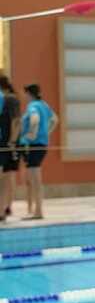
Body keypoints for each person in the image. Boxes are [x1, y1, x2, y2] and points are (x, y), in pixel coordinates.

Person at [18, 83, 57, 220]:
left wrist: (32, 135)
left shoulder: (33, 106)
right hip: (42, 144)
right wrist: (46, 134)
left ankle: (38, 211)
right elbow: (54, 120)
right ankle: (34, 209)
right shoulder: (44, 105)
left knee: (35, 180)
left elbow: (34, 120)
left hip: (33, 146)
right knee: (33, 179)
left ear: (29, 93)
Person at [0, 75, 21, 222]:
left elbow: (16, 121)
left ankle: (5, 207)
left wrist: (12, 141)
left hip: (7, 143)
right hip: (6, 142)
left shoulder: (10, 99)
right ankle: (6, 206)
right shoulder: (7, 99)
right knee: (7, 176)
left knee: (7, 177)